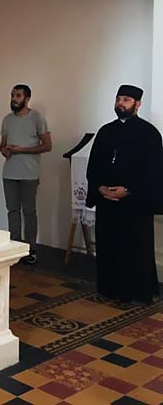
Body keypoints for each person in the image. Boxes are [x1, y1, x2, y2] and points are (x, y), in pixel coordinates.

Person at [86, 84, 162, 304]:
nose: (120, 103)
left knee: (134, 248)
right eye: (118, 99)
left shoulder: (149, 134)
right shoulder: (105, 131)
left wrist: (128, 190)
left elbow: (154, 170)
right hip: (107, 201)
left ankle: (135, 292)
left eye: (126, 100)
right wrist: (100, 188)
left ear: (137, 104)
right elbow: (94, 165)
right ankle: (109, 289)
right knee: (108, 245)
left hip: (135, 203)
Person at [0, 84, 52, 264]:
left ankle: (30, 249)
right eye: (12, 95)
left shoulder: (37, 118)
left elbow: (47, 145)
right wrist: (5, 150)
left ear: (26, 99)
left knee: (29, 212)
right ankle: (14, 247)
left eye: (18, 96)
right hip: (9, 173)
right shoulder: (7, 120)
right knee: (12, 211)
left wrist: (21, 150)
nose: (14, 99)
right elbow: (2, 145)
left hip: (29, 174)